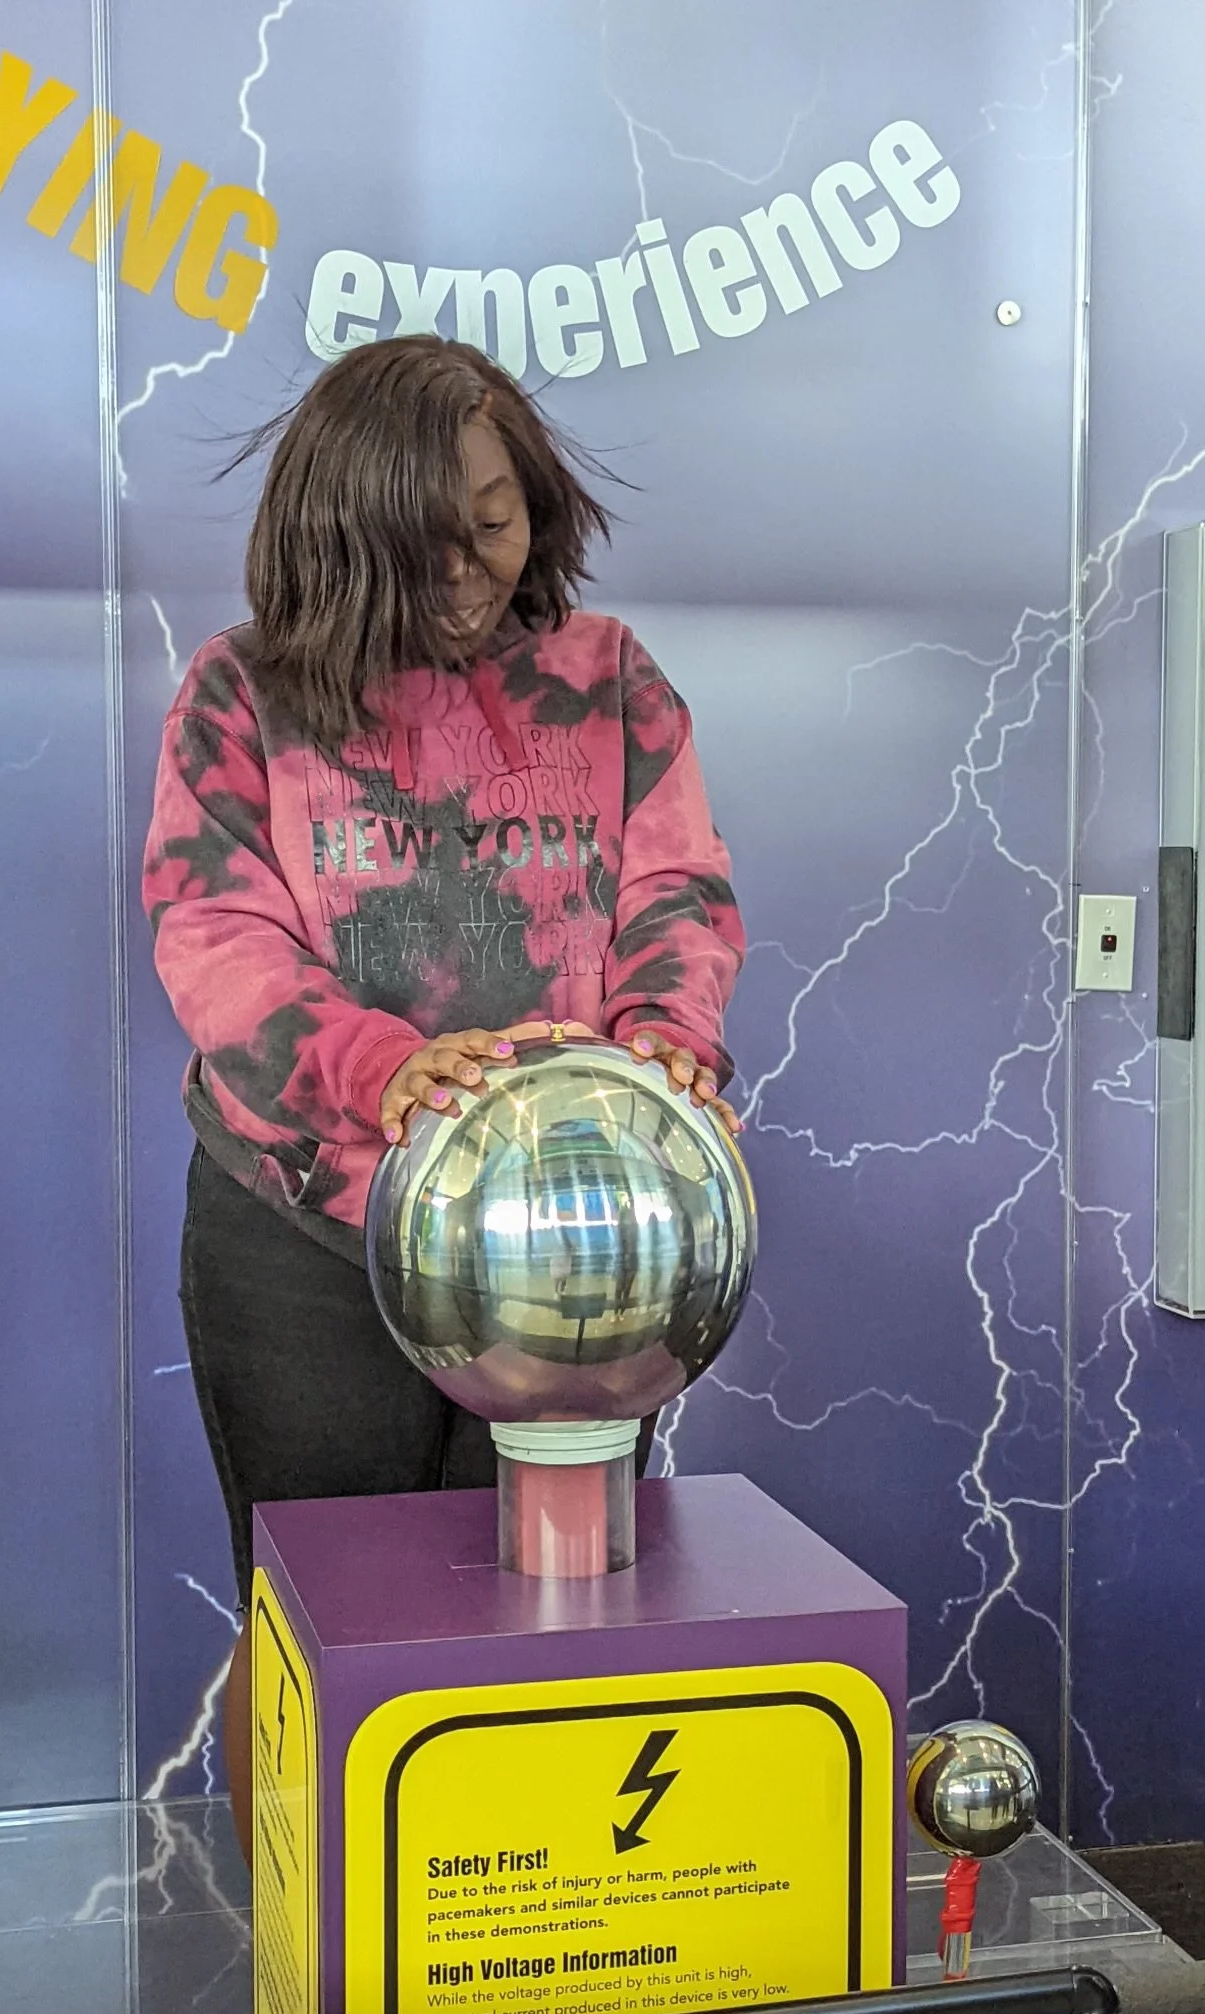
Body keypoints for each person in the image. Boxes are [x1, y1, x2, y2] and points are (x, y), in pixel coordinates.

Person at [141, 335, 745, 1865]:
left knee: (552, 1608)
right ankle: (300, 1933)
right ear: (343, 528)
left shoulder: (614, 686)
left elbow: (678, 896)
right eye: (433, 533)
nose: (474, 565)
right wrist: (379, 1070)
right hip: (306, 1237)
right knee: (313, 1612)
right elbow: (212, 937)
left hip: (561, 1246)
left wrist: (669, 1045)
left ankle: (516, 1929)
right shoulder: (241, 697)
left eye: (499, 516)